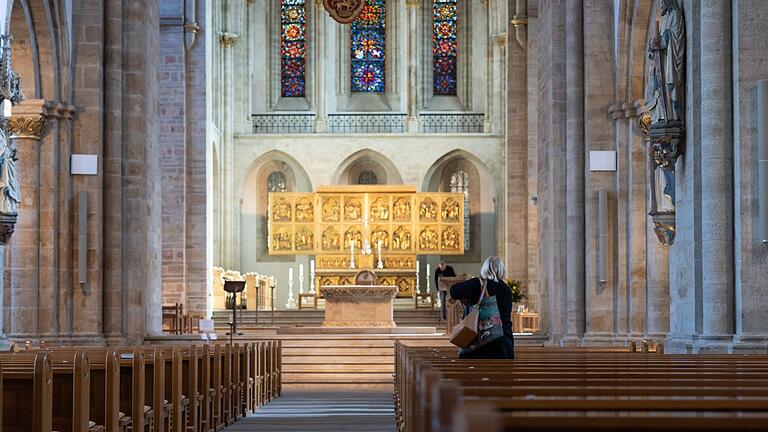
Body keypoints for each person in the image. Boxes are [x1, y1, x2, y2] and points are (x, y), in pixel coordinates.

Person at [449, 256, 514, 359]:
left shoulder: (478, 283)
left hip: (478, 345)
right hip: (502, 345)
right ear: (502, 270)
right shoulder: (507, 289)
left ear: (484, 268)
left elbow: (454, 291)